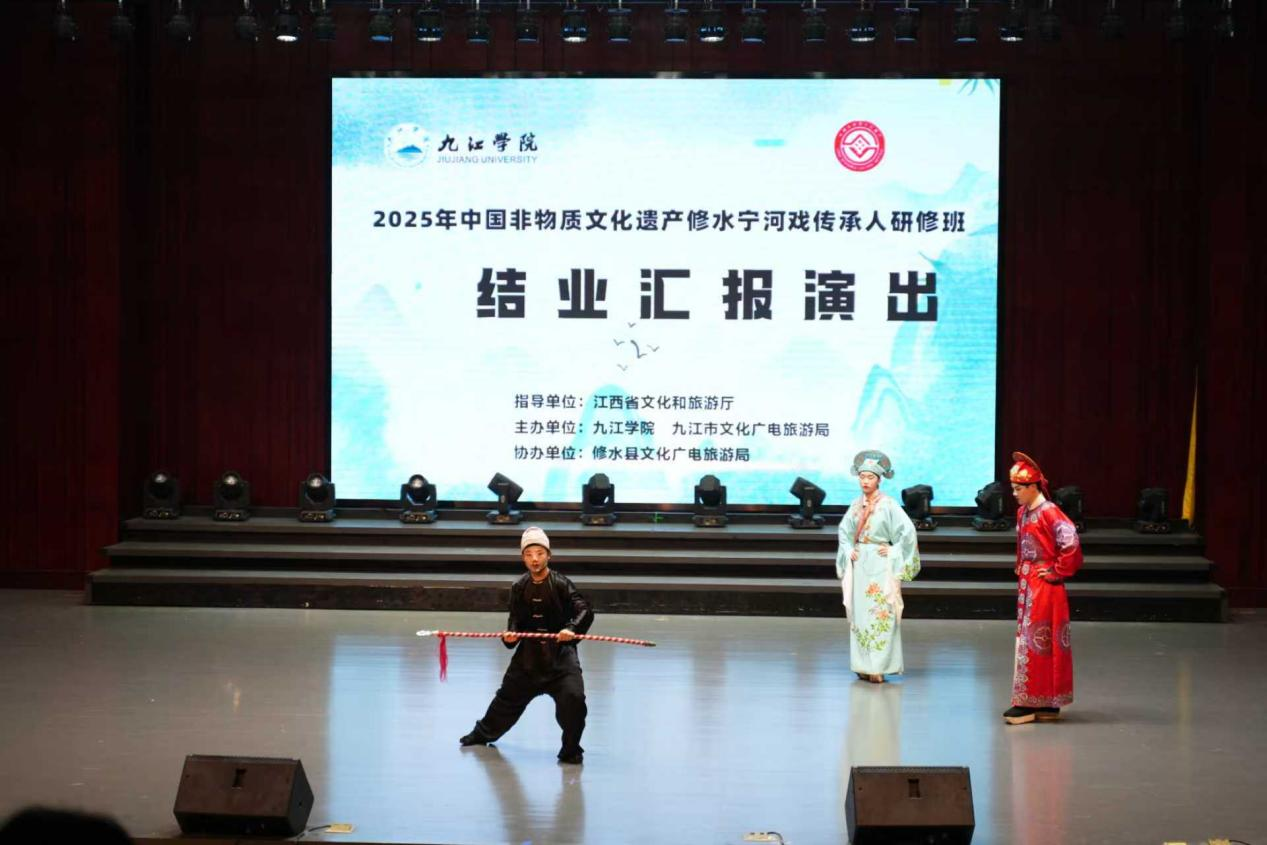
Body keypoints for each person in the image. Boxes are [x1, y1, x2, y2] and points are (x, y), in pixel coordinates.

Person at [460, 526, 594, 764]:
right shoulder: (519, 586)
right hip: (528, 660)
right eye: (529, 554)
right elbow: (514, 621)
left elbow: (585, 611)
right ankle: (481, 734)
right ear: (523, 557)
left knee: (574, 699)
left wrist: (571, 629)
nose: (535, 559)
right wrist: (510, 636)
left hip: (560, 658)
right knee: (506, 700)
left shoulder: (561, 583)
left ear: (548, 555)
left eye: (540, 553)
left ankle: (571, 749)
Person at [1004, 451, 1083, 725]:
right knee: (1035, 639)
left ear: (1033, 486)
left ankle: (1030, 701)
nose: (1014, 493)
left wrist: (1056, 570)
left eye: (1018, 488)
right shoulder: (1023, 512)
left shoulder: (1049, 511)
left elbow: (1070, 541)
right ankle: (1043, 701)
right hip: (1030, 582)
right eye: (1013, 488)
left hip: (1044, 585)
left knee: (1037, 639)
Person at [835, 450, 921, 683]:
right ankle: (863, 665)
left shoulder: (888, 505)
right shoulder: (855, 505)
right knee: (861, 614)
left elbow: (907, 532)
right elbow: (844, 532)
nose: (865, 481)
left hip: (881, 563)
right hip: (860, 561)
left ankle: (879, 667)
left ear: (879, 480)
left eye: (870, 477)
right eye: (862, 476)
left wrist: (894, 550)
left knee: (882, 611)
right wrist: (848, 549)